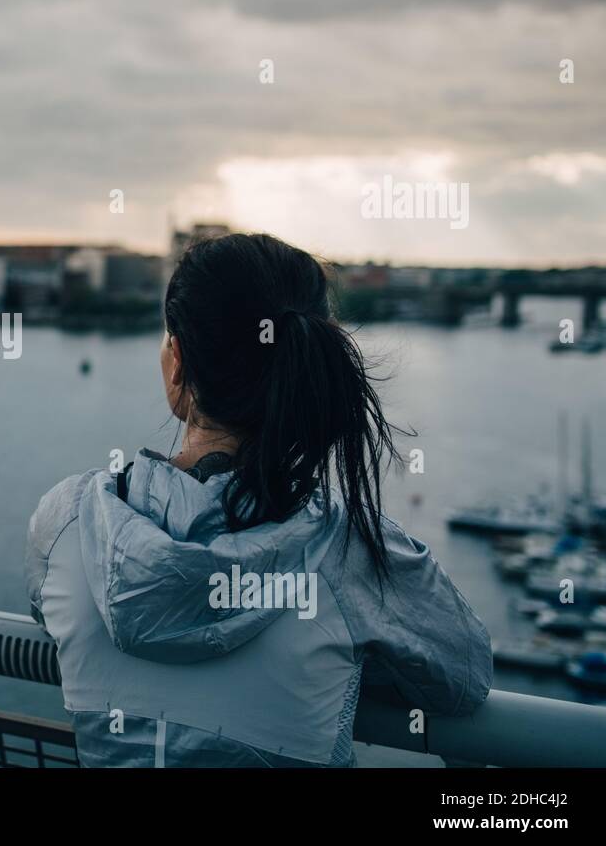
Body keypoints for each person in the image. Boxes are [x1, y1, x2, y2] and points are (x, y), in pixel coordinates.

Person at [25, 232, 492, 767]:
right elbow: (464, 680)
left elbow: (49, 614)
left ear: (177, 362)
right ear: (307, 360)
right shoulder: (353, 552)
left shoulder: (66, 521)